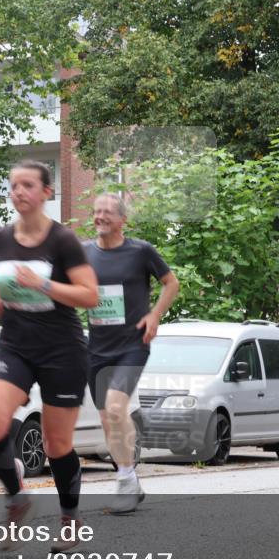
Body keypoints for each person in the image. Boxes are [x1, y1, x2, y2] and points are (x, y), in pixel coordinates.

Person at [0, 160, 99, 553]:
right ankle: (17, 497)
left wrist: (43, 283)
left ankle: (69, 518)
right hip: (15, 345)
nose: (18, 192)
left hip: (62, 349)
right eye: (13, 186)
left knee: (56, 445)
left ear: (47, 192)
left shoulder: (62, 241)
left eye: (27, 185)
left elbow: (89, 295)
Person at [83, 193, 179, 514]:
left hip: (133, 344)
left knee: (114, 407)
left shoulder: (140, 252)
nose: (100, 216)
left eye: (108, 212)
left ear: (123, 219)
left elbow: (171, 284)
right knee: (107, 419)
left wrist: (154, 316)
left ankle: (124, 479)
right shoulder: (83, 253)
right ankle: (130, 477)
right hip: (96, 347)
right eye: (97, 211)